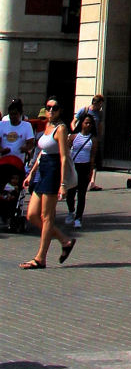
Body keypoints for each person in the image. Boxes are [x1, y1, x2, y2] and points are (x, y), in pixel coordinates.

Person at [22, 100, 76, 267]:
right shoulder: (47, 126)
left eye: (55, 108)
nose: (51, 110)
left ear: (60, 110)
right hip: (43, 169)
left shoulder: (61, 128)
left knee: (47, 217)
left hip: (53, 171)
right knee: (32, 215)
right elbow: (42, 152)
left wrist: (63, 184)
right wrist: (31, 173)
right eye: (48, 108)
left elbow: (64, 156)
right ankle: (64, 240)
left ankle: (40, 258)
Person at [66, 111, 96, 229]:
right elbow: (66, 152)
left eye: (90, 123)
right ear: (81, 123)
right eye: (86, 123)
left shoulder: (93, 139)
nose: (88, 125)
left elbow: (92, 156)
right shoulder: (73, 137)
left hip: (85, 167)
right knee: (70, 193)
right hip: (73, 166)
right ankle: (71, 211)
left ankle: (78, 218)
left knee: (82, 194)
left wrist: (91, 172)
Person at [0, 98, 35, 165]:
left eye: (15, 114)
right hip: (4, 161)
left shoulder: (27, 125)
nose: (13, 116)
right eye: (11, 114)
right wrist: (2, 150)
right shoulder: (1, 124)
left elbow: (31, 143)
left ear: (20, 114)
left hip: (19, 161)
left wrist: (25, 148)